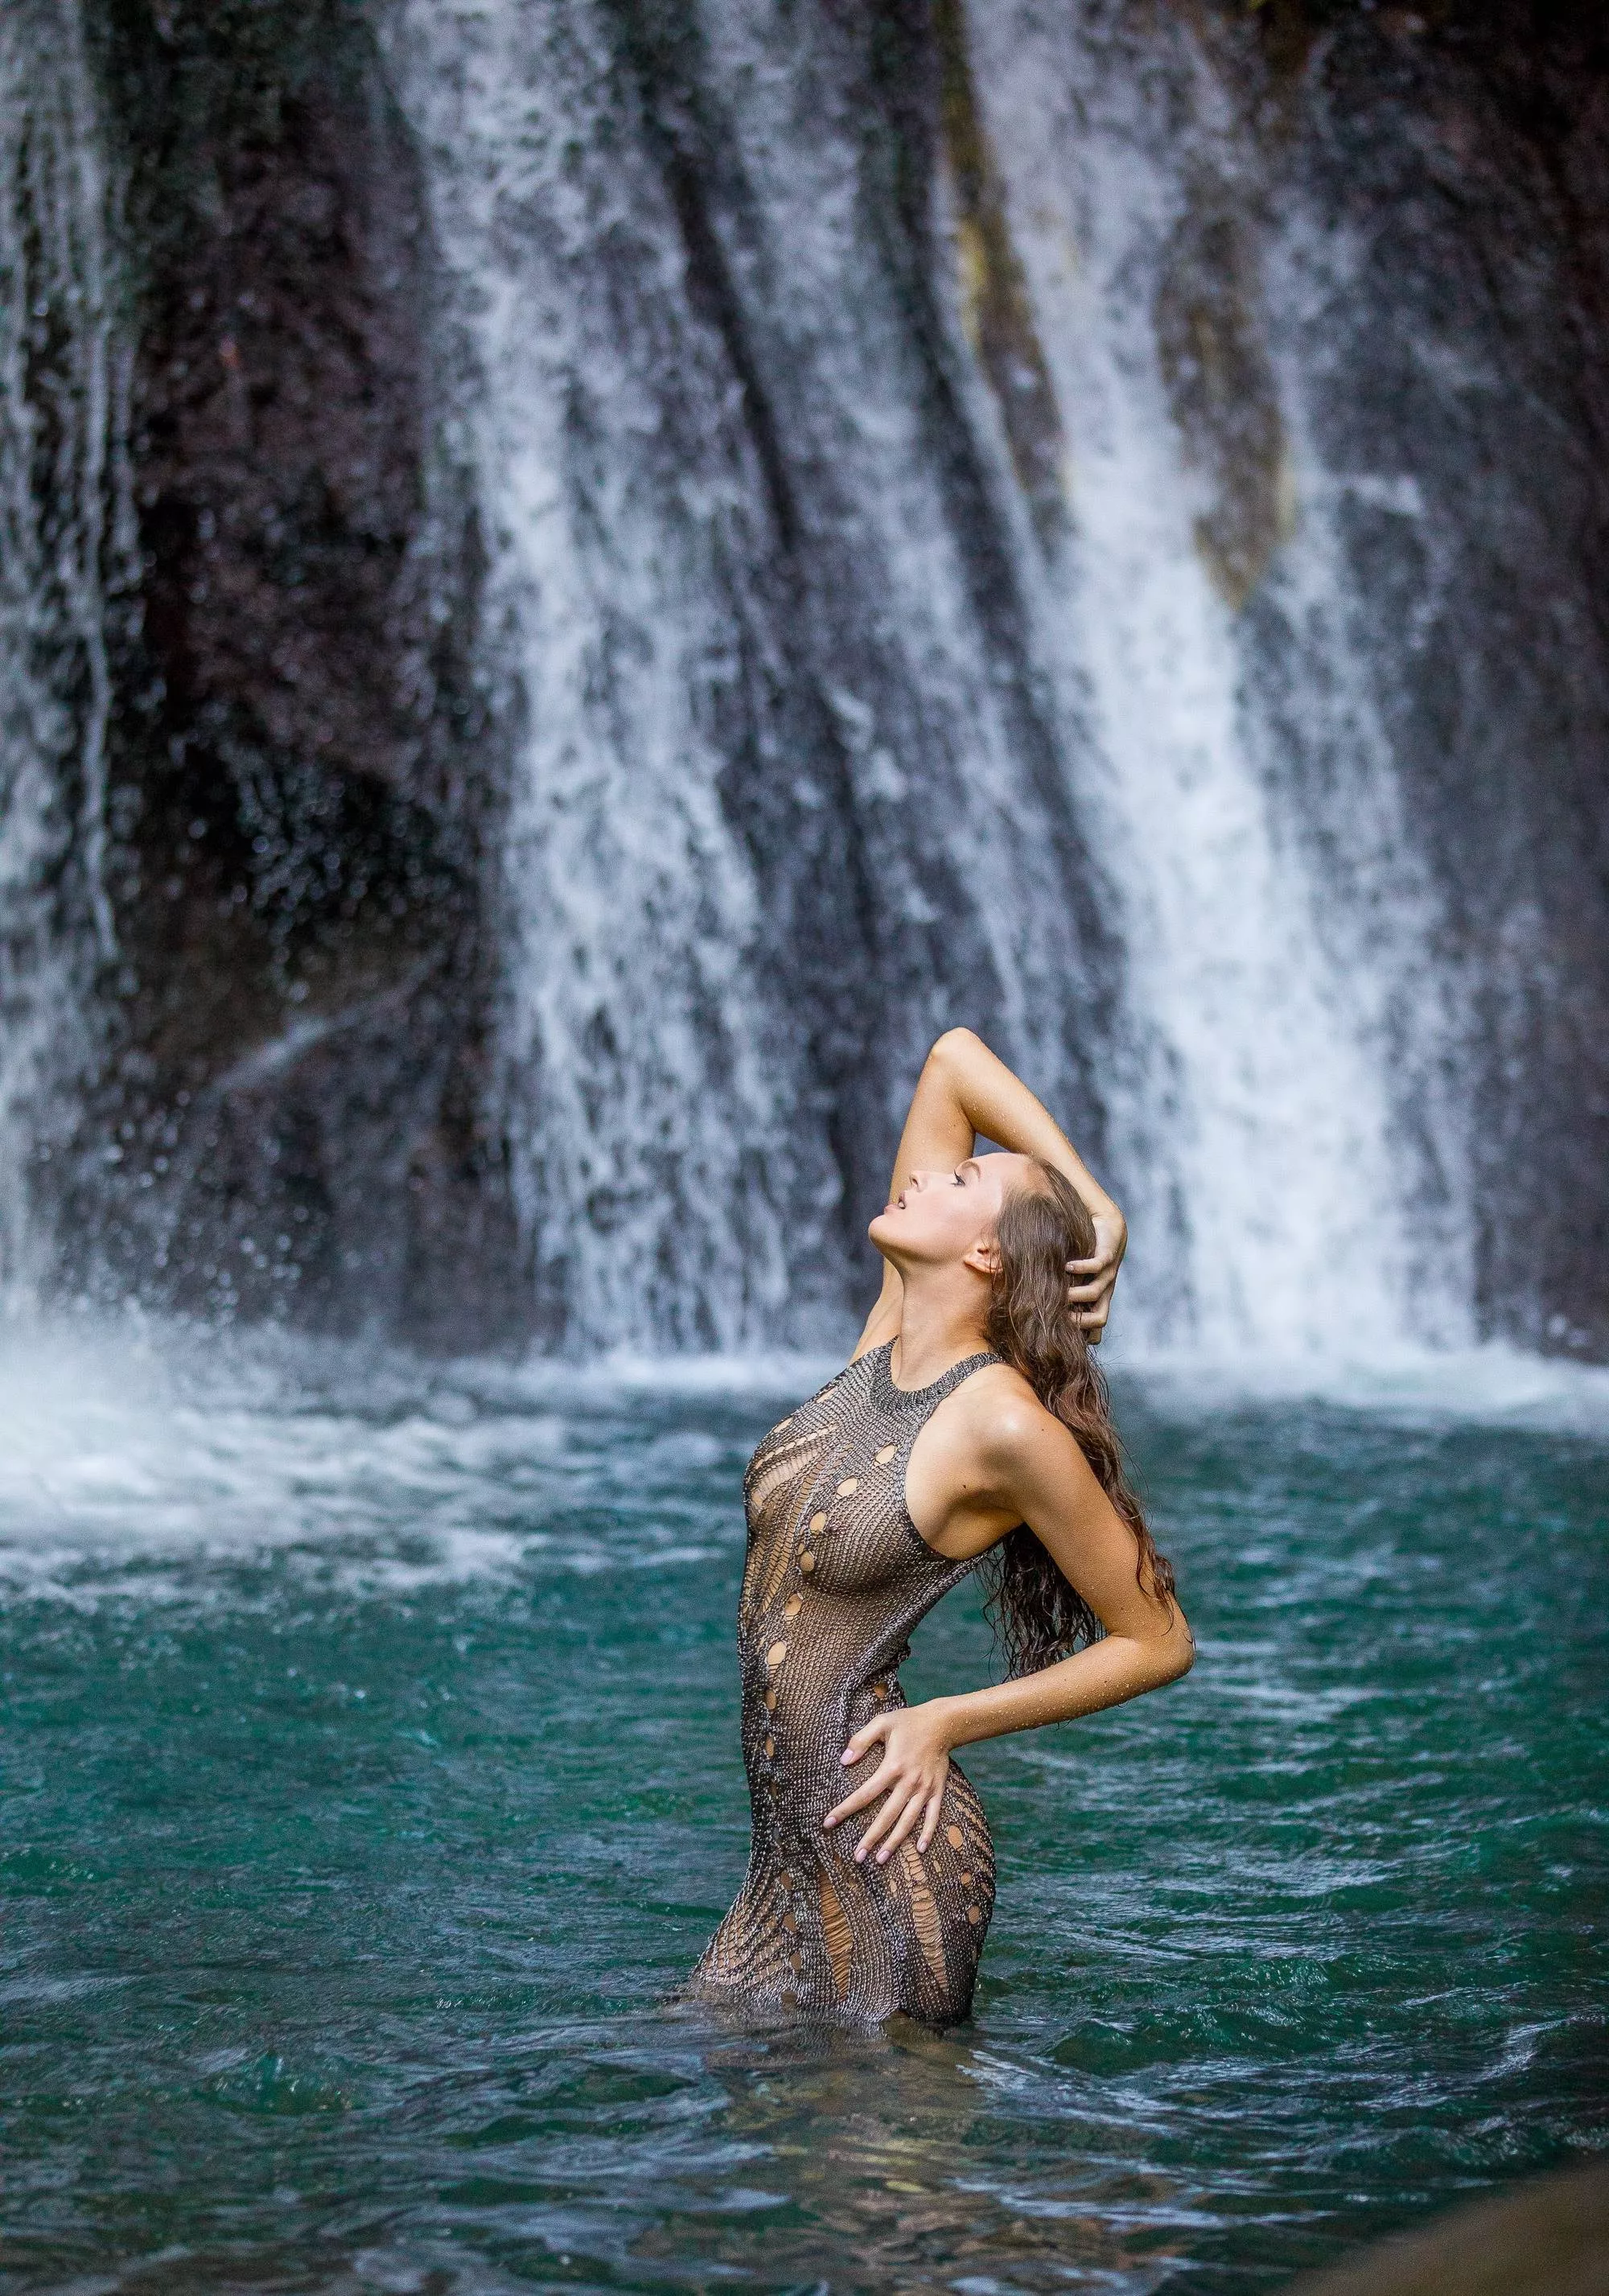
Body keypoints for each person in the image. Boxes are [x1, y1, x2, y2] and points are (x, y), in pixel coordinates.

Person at [693, 1029, 1194, 2028]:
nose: (924, 1175)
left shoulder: (1001, 1423)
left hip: (889, 1847)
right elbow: (953, 1061)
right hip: (782, 1863)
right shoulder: (887, 1337)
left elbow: (1157, 1640)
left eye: (960, 1179)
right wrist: (1099, 1207)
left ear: (985, 1252)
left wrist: (947, 1719)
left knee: (901, 2123)